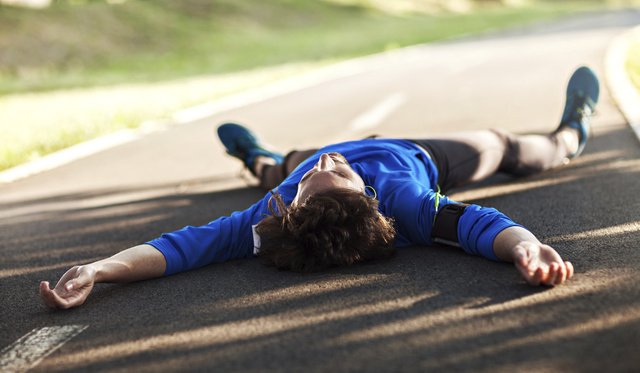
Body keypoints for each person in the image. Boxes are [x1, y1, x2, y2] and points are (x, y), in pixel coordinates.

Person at [40, 66, 599, 310]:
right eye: (331, 173)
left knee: (286, 162)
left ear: (291, 208)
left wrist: (100, 269)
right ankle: (573, 132)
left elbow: (178, 249)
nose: (329, 161)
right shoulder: (406, 201)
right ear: (368, 195)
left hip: (294, 177)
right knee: (510, 148)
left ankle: (260, 158)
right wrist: (527, 246)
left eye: (310, 182)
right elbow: (484, 227)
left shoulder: (274, 210)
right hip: (416, 152)